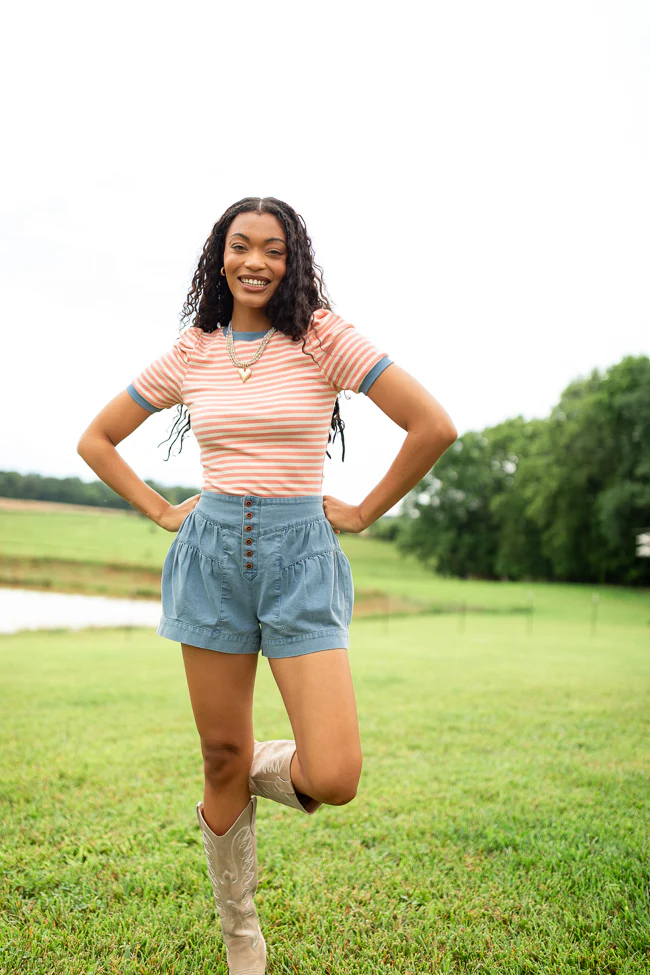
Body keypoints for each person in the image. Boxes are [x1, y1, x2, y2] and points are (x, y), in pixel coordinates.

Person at [77, 196, 457, 974]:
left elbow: (433, 425)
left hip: (301, 558)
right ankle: (242, 941)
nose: (256, 262)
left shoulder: (322, 336)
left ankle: (245, 763)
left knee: (334, 775)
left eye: (274, 250)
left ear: (294, 261)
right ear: (219, 256)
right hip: (211, 552)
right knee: (219, 752)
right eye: (241, 246)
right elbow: (97, 438)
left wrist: (363, 510)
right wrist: (158, 509)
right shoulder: (193, 350)